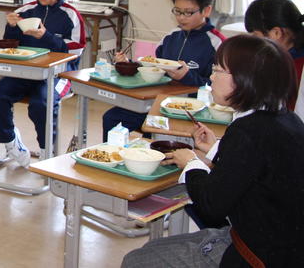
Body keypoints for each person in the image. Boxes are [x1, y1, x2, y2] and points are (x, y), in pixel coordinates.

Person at [121, 35, 304, 267]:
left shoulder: (247, 131)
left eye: (218, 70)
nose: (211, 76)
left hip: (256, 252)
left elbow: (211, 205)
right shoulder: (286, 119)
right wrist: (215, 149)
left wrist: (191, 163)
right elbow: (254, 167)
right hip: (283, 243)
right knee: (151, 249)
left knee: (136, 261)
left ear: (245, 79)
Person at [0, 0, 85, 166]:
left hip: (60, 74)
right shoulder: (25, 11)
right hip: (26, 71)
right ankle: (12, 143)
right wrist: (11, 26)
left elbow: (76, 51)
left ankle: (47, 151)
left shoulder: (71, 15)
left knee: (41, 103)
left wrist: (46, 36)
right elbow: (9, 44)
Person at [103, 0, 225, 137]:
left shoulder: (218, 44)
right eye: (177, 11)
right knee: (112, 118)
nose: (181, 17)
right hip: (158, 105)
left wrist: (187, 76)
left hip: (192, 113)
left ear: (206, 10)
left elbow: (219, 89)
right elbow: (153, 68)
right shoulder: (171, 37)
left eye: (188, 12)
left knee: (153, 130)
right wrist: (128, 64)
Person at [244, 0, 304, 108]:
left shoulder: (294, 68)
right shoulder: (283, 59)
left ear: (277, 33)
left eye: (256, 36)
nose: (254, 43)